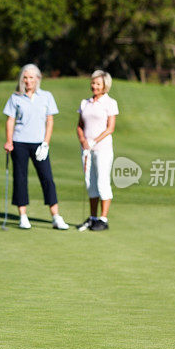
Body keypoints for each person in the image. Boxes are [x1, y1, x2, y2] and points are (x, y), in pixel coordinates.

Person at [3, 64, 69, 230]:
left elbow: (50, 120)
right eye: (25, 77)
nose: (28, 81)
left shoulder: (46, 96)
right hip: (19, 142)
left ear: (38, 79)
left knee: (47, 178)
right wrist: (9, 141)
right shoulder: (16, 97)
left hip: (40, 143)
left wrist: (46, 142)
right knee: (20, 178)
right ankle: (23, 216)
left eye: (31, 77)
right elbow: (10, 120)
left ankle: (55, 216)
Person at [76, 70, 119, 232]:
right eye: (93, 83)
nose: (94, 86)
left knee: (102, 182)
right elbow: (80, 126)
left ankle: (103, 219)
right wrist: (83, 141)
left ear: (105, 86)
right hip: (86, 149)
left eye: (97, 84)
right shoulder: (85, 103)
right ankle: (93, 218)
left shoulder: (110, 103)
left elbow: (110, 128)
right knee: (90, 183)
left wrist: (94, 141)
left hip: (103, 149)